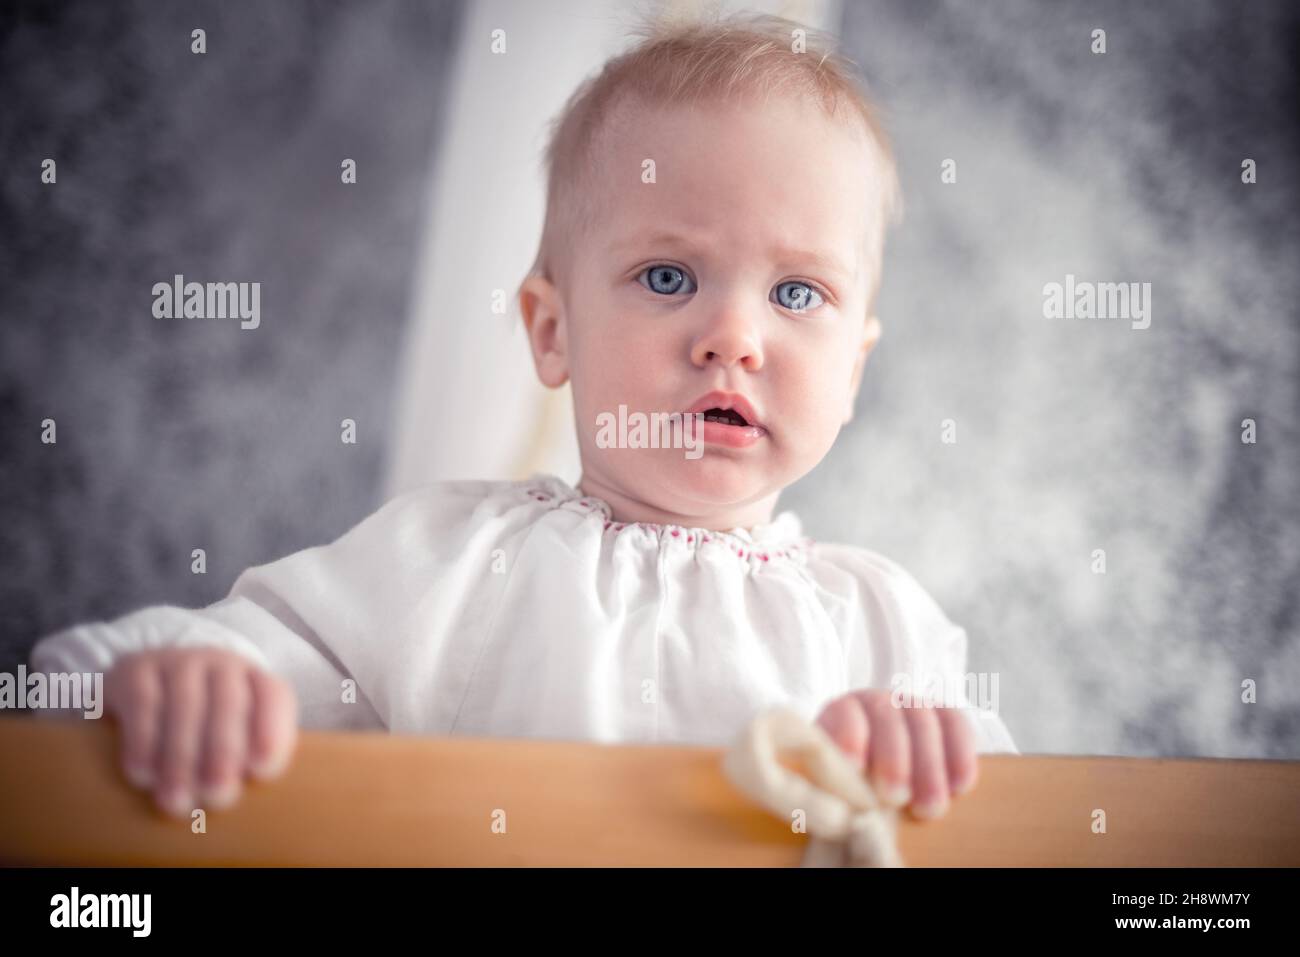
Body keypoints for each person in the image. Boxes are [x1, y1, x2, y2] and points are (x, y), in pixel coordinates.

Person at [30, 11, 1017, 824]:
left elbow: (1033, 824)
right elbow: (93, 686)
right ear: (552, 331)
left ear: (853, 370)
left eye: (797, 294)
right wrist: (176, 681)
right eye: (667, 276)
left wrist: (929, 758)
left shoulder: (884, 626)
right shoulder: (451, 561)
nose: (733, 338)